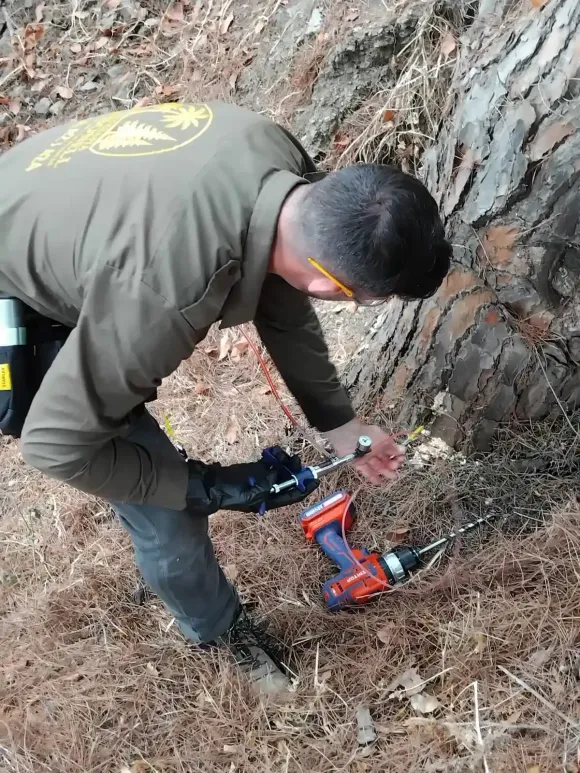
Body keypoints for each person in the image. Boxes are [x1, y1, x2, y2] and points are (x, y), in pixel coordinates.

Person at [0, 102, 451, 694]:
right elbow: (56, 446)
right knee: (164, 511)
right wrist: (199, 488)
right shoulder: (163, 295)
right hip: (21, 280)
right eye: (368, 300)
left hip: (36, 202)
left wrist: (338, 421)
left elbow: (280, 281)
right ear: (330, 285)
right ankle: (220, 631)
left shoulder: (274, 154)